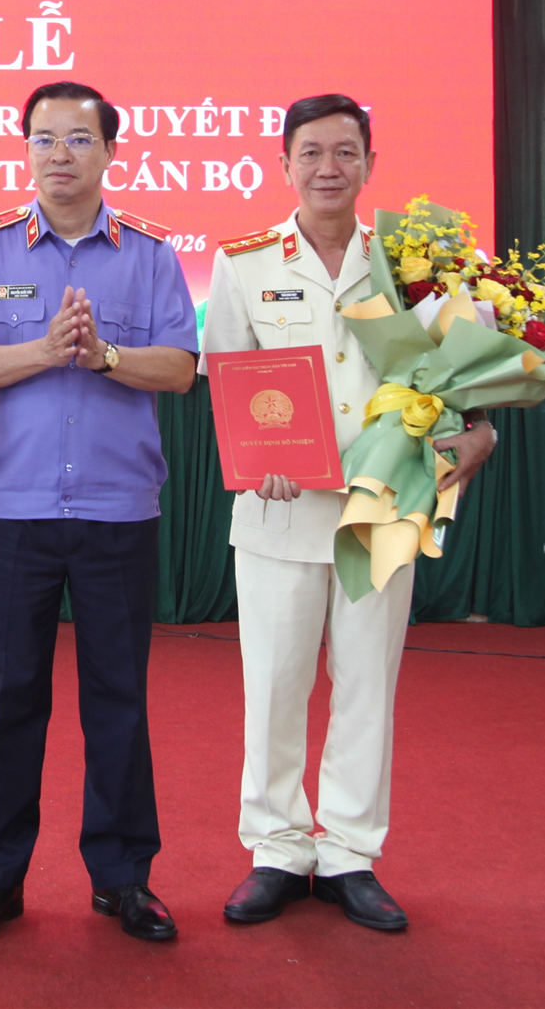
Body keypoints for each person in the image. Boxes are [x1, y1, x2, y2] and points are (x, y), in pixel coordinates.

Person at [200, 94, 495, 933]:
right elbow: (227, 380)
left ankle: (349, 855)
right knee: (274, 688)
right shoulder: (243, 262)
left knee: (367, 685)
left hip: (386, 506)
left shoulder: (417, 262)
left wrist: (479, 432)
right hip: (279, 512)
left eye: (344, 152)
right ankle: (275, 849)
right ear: (283, 164)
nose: (327, 168)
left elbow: (463, 374)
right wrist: (256, 457)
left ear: (369, 163)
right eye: (310, 153)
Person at [0, 81, 198, 945]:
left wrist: (104, 354)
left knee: (118, 698)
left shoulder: (149, 253)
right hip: (15, 510)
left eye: (79, 139)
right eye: (43, 139)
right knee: (9, 699)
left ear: (109, 152)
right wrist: (45, 352)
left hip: (119, 510)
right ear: (25, 151)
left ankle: (122, 879)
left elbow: (180, 369)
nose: (59, 154)